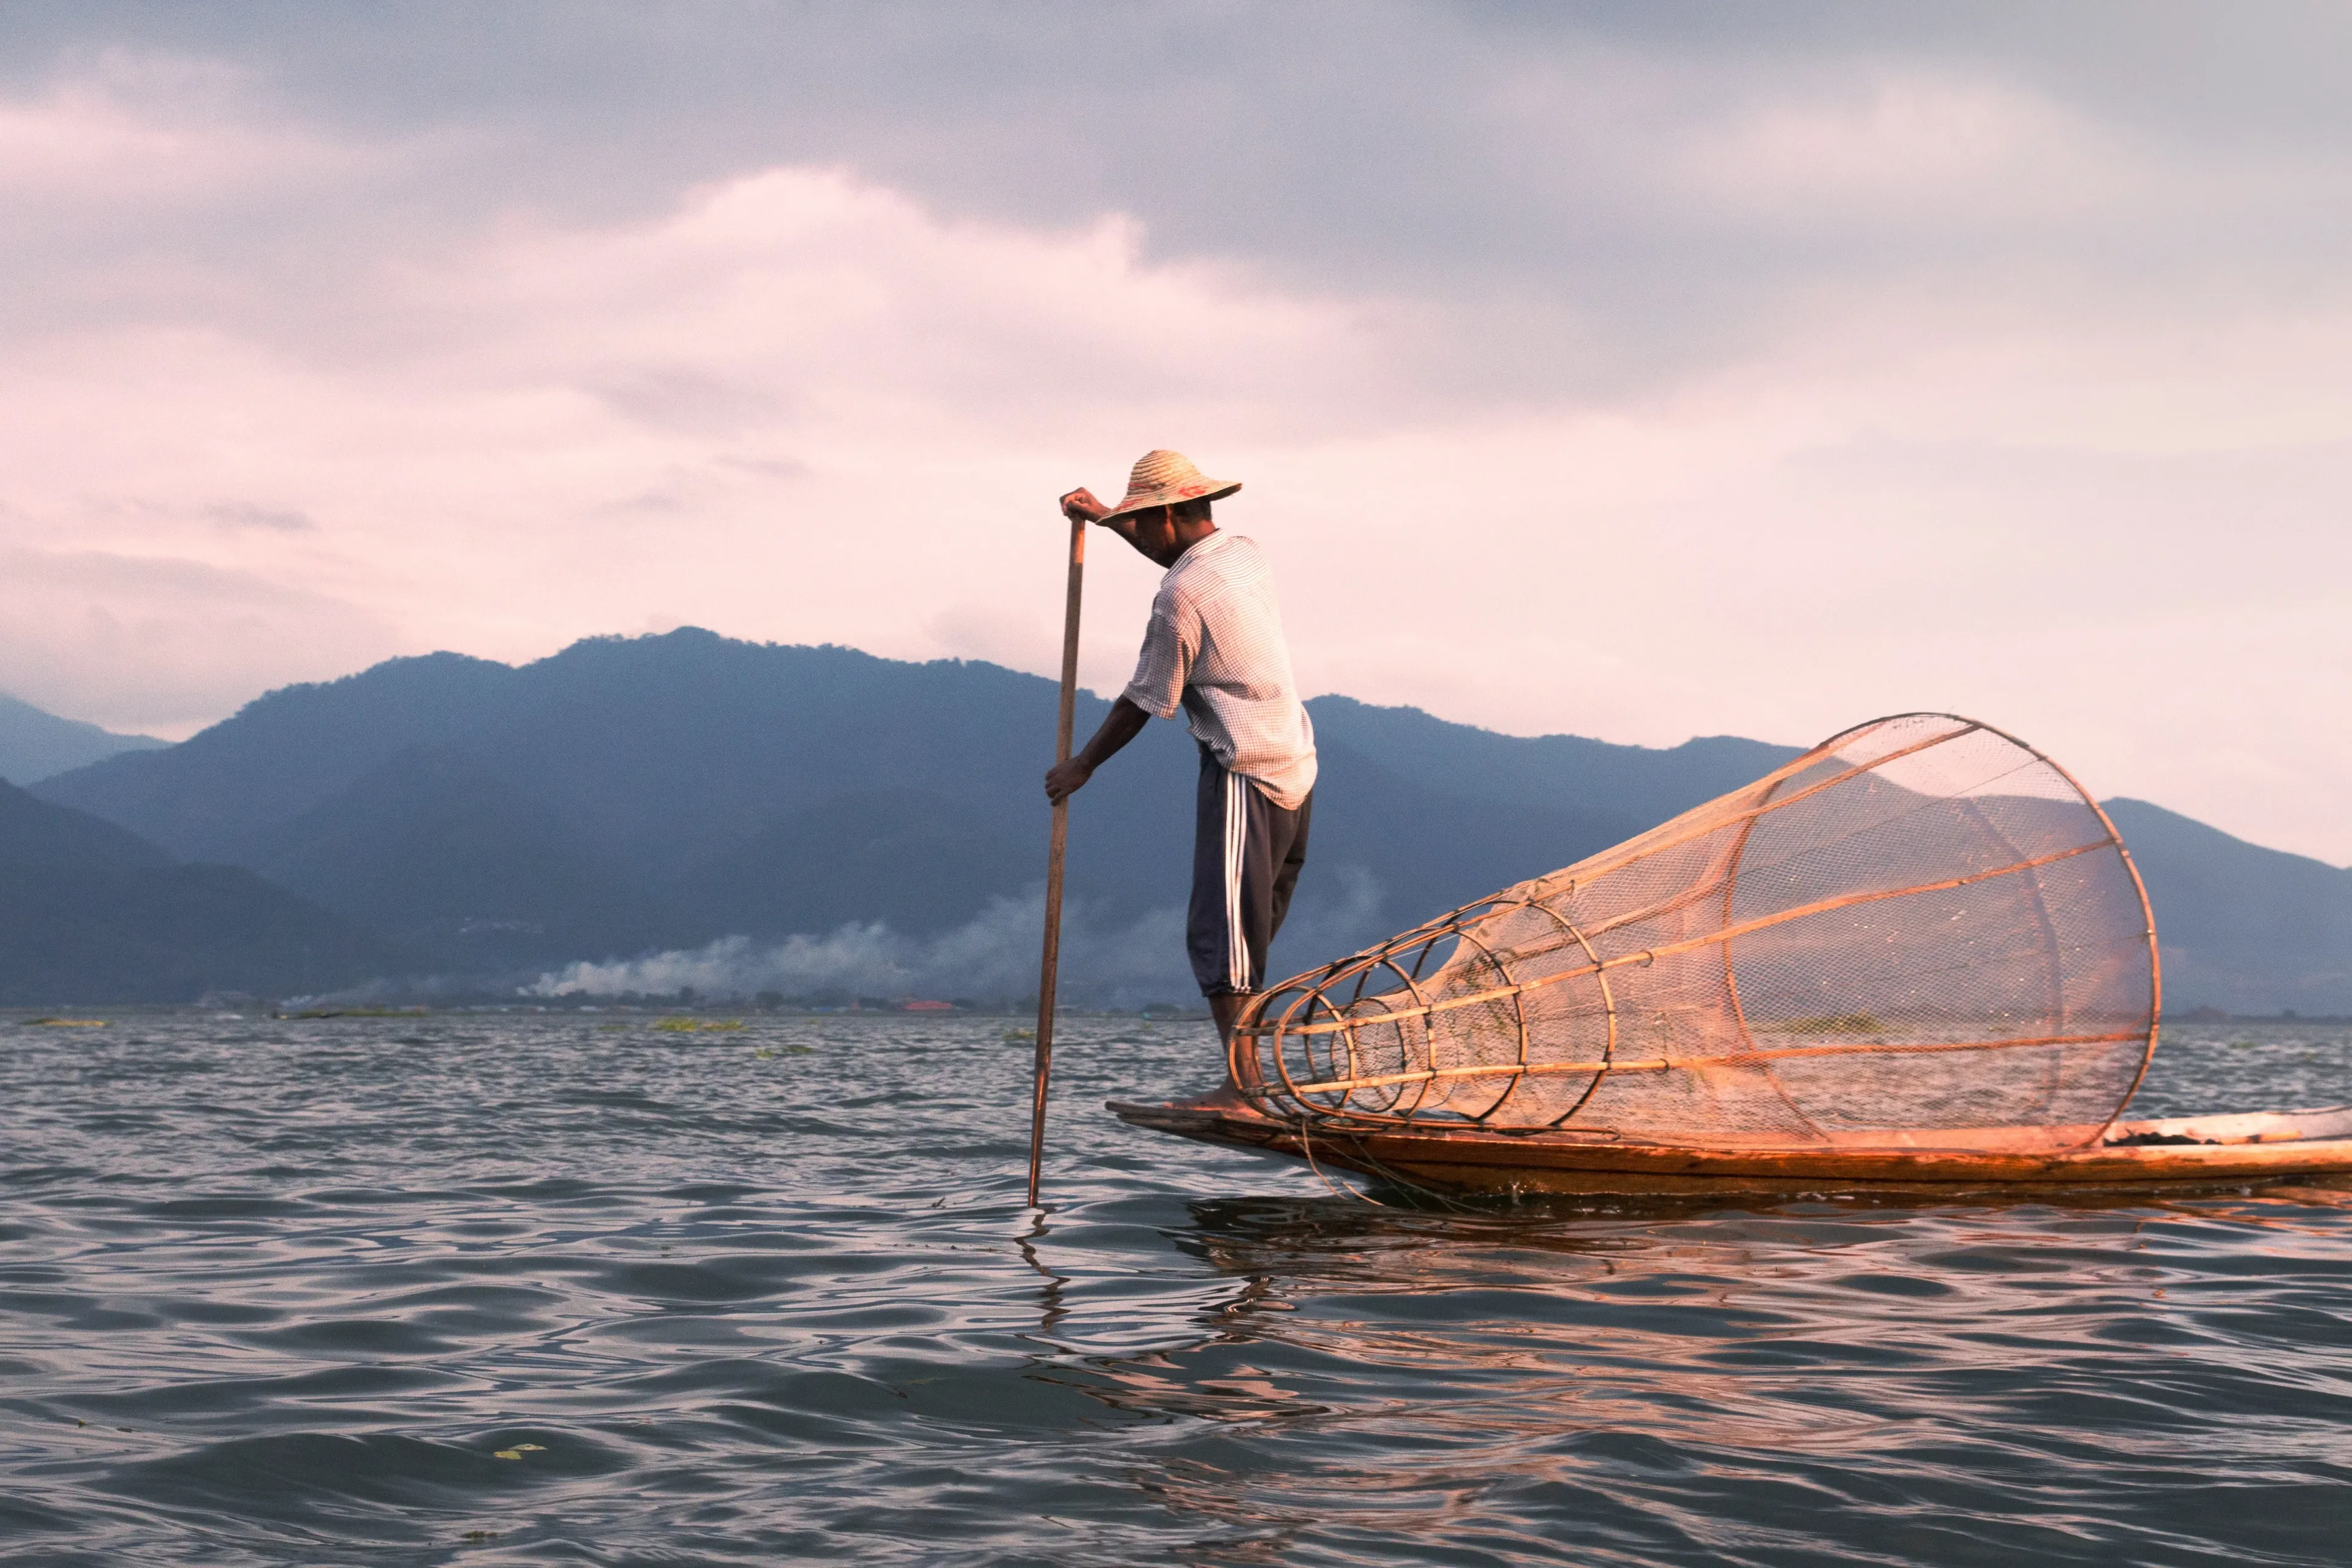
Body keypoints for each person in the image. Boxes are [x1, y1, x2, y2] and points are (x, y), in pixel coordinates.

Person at [1046, 450, 1317, 1092]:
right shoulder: (1243, 554)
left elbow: (1146, 699)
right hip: (1297, 764)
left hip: (1244, 769)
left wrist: (1081, 766)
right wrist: (1110, 518)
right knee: (1249, 930)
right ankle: (1252, 1073)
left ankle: (1246, 1087)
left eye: (1142, 522)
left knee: (1220, 934)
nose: (1138, 532)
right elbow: (1173, 551)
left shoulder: (1179, 599)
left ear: (1166, 517)